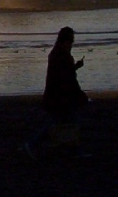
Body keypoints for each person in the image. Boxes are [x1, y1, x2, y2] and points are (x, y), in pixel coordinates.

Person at [24, 26, 89, 158]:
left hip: (55, 97)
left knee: (59, 123)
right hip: (61, 98)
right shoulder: (63, 56)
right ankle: (32, 144)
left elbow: (63, 74)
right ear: (65, 41)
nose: (72, 43)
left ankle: (34, 144)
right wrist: (80, 94)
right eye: (71, 40)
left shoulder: (55, 54)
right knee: (68, 122)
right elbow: (67, 77)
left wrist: (75, 66)